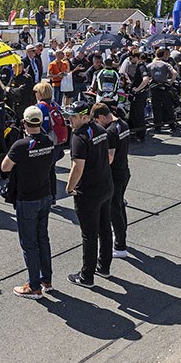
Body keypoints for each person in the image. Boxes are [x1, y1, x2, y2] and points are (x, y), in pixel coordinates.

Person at [1, 105, 55, 298]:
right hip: (45, 194)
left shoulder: (21, 145)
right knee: (43, 239)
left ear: (24, 122)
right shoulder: (48, 141)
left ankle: (34, 286)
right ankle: (46, 280)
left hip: (27, 199)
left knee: (29, 243)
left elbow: (5, 167)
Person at [65, 102, 115, 288]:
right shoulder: (100, 129)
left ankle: (87, 276)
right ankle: (104, 266)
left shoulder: (79, 137)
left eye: (73, 117)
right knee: (104, 228)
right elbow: (108, 156)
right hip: (106, 185)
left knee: (89, 234)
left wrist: (69, 187)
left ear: (85, 117)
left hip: (89, 192)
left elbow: (77, 167)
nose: (69, 120)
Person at [104, 106, 132, 260]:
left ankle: (120, 245)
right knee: (120, 206)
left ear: (102, 117)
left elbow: (110, 157)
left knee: (115, 210)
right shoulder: (123, 124)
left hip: (115, 174)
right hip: (124, 170)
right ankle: (121, 236)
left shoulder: (110, 131)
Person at [146, 48, 178, 132]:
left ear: (155, 55)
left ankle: (157, 127)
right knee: (168, 107)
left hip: (154, 87)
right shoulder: (166, 64)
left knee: (156, 108)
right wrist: (171, 81)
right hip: (165, 87)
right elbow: (175, 73)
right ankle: (172, 125)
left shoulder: (150, 65)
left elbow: (146, 77)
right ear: (163, 55)